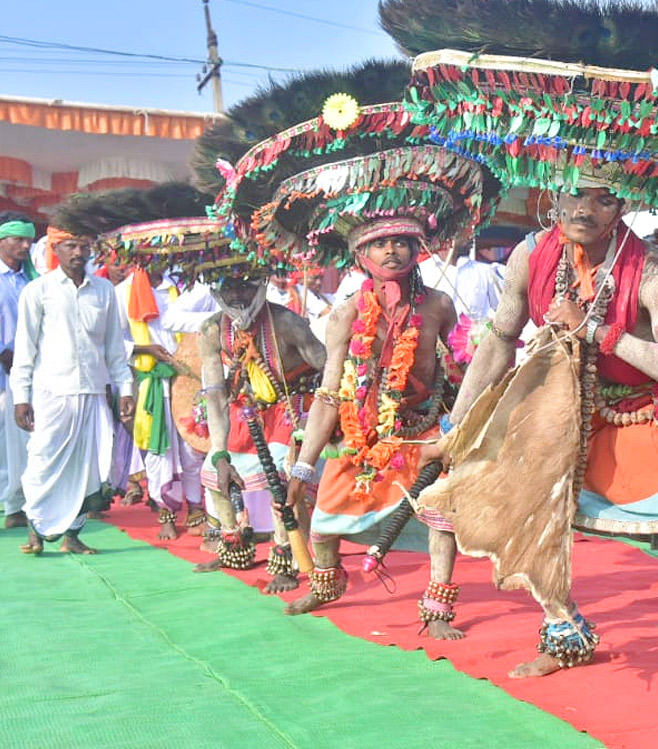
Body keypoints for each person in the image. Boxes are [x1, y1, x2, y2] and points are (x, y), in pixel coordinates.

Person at [436, 184, 658, 743]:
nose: (583, 210)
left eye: (603, 199)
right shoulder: (529, 255)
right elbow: (499, 338)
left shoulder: (653, 270)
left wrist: (595, 330)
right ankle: (565, 632)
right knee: (530, 514)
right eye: (572, 195)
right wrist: (458, 422)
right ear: (553, 199)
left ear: (621, 209)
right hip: (576, 411)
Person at [283, 221, 457, 615]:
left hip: (422, 428)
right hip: (363, 430)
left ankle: (438, 607)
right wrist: (305, 468)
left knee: (442, 515)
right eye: (380, 244)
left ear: (417, 251)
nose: (391, 251)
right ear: (362, 255)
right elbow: (329, 394)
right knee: (324, 521)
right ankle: (326, 584)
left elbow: (458, 365)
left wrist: (457, 428)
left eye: (400, 242)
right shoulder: (345, 315)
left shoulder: (439, 305)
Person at [196, 272, 325, 590]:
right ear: (217, 290)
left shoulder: (287, 323)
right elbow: (215, 394)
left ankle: (286, 558)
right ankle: (233, 545)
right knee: (213, 471)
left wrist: (318, 417)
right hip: (246, 407)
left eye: (245, 285)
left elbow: (328, 365)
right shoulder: (211, 330)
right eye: (229, 286)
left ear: (262, 286)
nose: (237, 293)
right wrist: (221, 453)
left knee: (281, 479)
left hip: (291, 406)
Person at [10, 228, 133, 555]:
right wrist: (21, 397)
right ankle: (36, 527)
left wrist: (126, 388)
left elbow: (115, 349)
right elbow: (25, 349)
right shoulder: (38, 291)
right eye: (70, 246)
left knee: (88, 466)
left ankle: (73, 536)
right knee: (43, 458)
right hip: (52, 391)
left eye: (83, 245)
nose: (78, 252)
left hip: (93, 392)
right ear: (56, 248)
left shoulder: (105, 291)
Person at [114, 267, 205, 539]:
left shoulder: (183, 284)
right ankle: (166, 513)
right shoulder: (123, 292)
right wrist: (145, 350)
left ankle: (196, 507)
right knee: (158, 451)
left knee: (192, 447)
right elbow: (111, 341)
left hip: (187, 379)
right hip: (151, 380)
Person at [0, 213, 37, 528]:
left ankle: (19, 505)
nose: (25, 245)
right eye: (18, 239)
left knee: (23, 440)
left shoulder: (33, 280)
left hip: (28, 373)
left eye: (29, 239)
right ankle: (12, 506)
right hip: (4, 373)